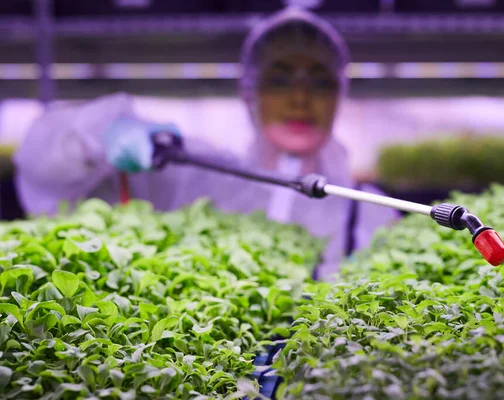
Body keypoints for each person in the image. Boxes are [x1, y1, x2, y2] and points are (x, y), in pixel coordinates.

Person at [13, 8, 398, 280]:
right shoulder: (195, 181)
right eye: (279, 80)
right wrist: (99, 135)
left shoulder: (370, 214)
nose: (300, 99)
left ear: (339, 95)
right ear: (249, 93)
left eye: (319, 82)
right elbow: (40, 169)